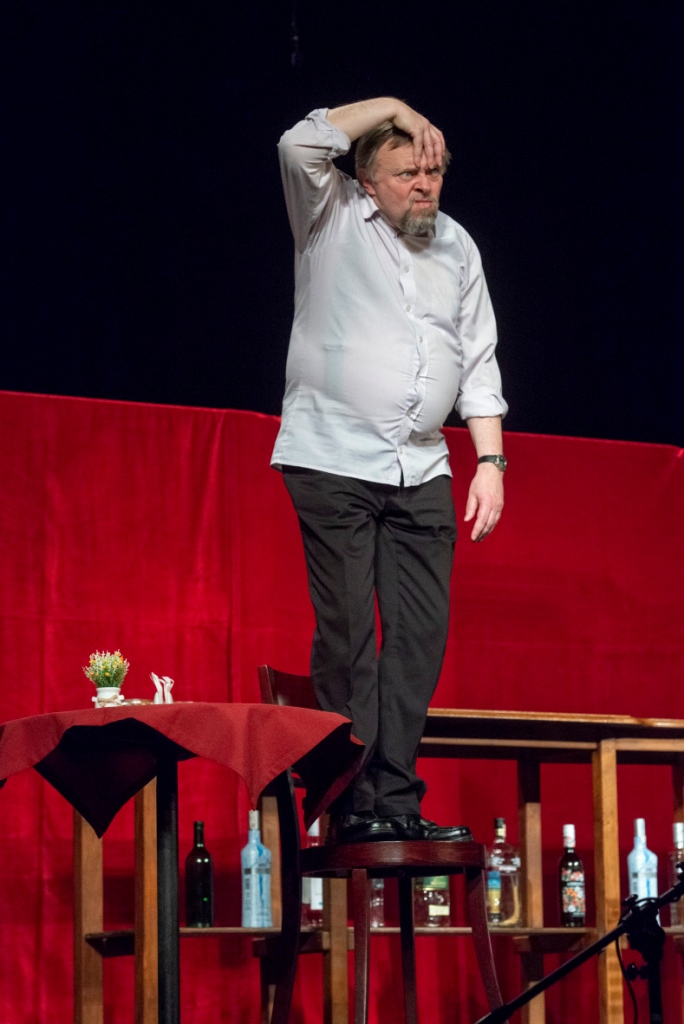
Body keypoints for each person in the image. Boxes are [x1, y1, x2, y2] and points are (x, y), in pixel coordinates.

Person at [272, 98, 508, 844]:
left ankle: (395, 801)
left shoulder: (457, 245)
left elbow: (478, 358)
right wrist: (398, 107)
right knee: (349, 635)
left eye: (433, 172)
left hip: (423, 464)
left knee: (419, 635)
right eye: (407, 173)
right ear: (367, 180)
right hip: (332, 457)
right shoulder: (329, 214)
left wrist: (490, 460)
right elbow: (298, 144)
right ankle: (349, 800)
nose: (424, 185)